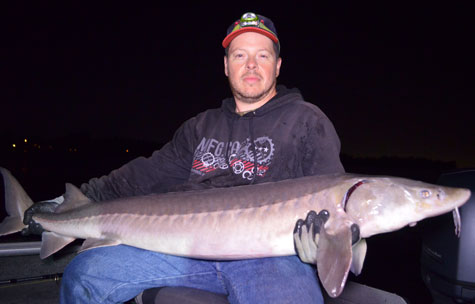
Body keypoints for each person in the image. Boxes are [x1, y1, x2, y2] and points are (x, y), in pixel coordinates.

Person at [24, 12, 345, 303]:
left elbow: (335, 200)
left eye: (262, 55)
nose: (251, 64)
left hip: (271, 259)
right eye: (240, 55)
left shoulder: (308, 122)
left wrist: (327, 242)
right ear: (225, 65)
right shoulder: (200, 127)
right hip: (184, 252)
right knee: (84, 275)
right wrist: (61, 204)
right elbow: (143, 176)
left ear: (277, 66)